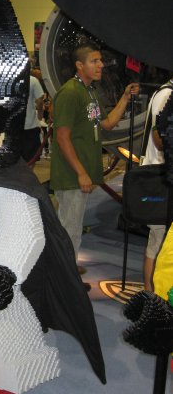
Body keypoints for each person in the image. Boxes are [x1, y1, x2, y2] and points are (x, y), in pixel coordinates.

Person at [50, 41, 139, 274]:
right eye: (94, 61)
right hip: (71, 174)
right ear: (80, 65)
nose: (101, 65)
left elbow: (107, 123)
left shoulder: (89, 91)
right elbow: (62, 138)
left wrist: (125, 97)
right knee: (69, 225)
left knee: (74, 224)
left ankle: (68, 267)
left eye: (100, 61)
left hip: (82, 171)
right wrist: (81, 172)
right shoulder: (70, 93)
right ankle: (64, 274)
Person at [140, 74, 173, 291]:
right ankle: (150, 297)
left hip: (163, 175)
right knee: (158, 240)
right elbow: (159, 138)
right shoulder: (166, 94)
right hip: (159, 177)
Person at [21, 74, 45, 167]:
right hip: (30, 126)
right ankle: (28, 175)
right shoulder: (33, 80)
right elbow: (40, 100)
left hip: (13, 126)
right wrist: (40, 115)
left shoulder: (9, 79)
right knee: (31, 158)